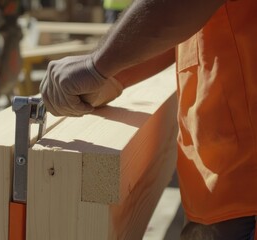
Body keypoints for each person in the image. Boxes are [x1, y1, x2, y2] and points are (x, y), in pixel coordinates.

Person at [40, 0, 257, 239]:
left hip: (243, 188)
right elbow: (186, 24)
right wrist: (112, 77)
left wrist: (98, 65)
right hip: (221, 178)